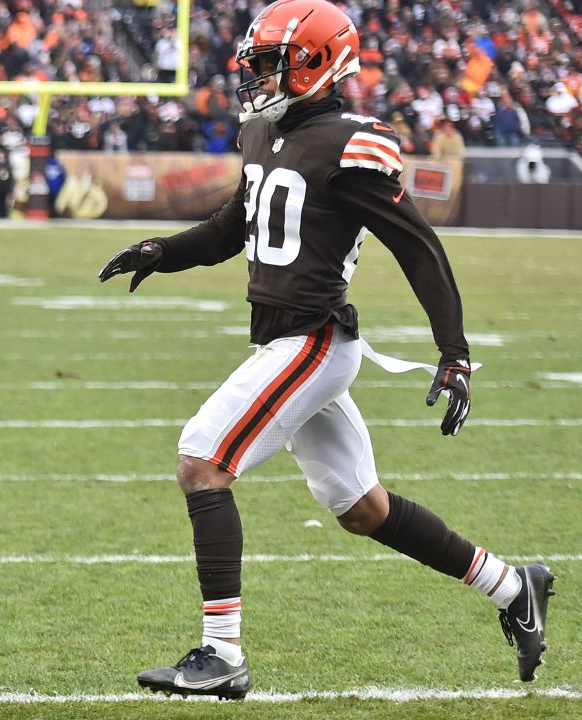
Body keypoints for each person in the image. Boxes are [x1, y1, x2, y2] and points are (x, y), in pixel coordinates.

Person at [98, 0, 553, 700]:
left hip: (312, 338)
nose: (256, 77)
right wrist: (164, 251)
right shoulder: (264, 134)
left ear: (318, 63)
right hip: (287, 339)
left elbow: (418, 248)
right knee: (360, 508)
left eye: (270, 63)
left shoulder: (351, 142)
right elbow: (232, 228)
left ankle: (222, 656)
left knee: (202, 459)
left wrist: (454, 352)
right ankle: (512, 586)